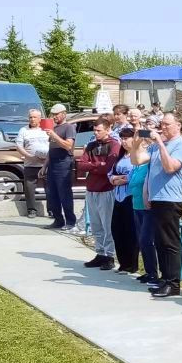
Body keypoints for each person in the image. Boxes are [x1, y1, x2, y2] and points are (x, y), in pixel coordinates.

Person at [145, 113, 182, 297]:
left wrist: (161, 144)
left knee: (170, 243)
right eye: (161, 124)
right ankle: (164, 279)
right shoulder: (159, 144)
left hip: (170, 200)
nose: (163, 128)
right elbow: (137, 160)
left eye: (167, 124)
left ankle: (173, 283)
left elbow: (170, 167)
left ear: (178, 125)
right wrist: (136, 139)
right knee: (160, 242)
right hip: (157, 199)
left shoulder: (181, 145)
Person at [76, 115, 122, 270]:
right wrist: (97, 165)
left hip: (106, 189)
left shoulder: (114, 145)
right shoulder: (91, 145)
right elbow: (81, 165)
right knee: (96, 225)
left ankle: (109, 255)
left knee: (107, 224)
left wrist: (93, 165)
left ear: (108, 130)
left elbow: (108, 167)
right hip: (91, 189)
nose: (96, 133)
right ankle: (100, 252)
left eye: (99, 130)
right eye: (94, 130)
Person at [107, 128, 141, 274]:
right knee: (117, 229)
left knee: (130, 231)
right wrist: (113, 179)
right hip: (118, 196)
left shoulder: (136, 156)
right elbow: (111, 172)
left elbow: (134, 174)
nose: (124, 141)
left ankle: (131, 264)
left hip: (130, 196)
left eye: (127, 138)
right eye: (122, 138)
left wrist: (121, 179)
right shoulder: (120, 156)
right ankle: (122, 262)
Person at [128, 134, 158, 286]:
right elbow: (134, 159)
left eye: (142, 143)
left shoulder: (149, 162)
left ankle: (153, 272)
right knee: (142, 240)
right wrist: (136, 142)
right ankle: (149, 271)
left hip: (147, 206)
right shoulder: (138, 165)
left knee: (147, 240)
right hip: (136, 204)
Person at [44, 103, 78, 231]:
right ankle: (58, 220)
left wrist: (54, 136)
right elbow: (51, 148)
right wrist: (45, 165)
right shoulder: (55, 128)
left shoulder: (68, 127)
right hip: (53, 162)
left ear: (64, 114)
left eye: (56, 114)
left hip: (63, 162)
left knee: (64, 193)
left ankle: (70, 221)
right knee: (52, 194)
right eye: (53, 114)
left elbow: (68, 146)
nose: (54, 117)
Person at [14, 108, 48, 218]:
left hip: (46, 164)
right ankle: (31, 210)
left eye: (34, 117)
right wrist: (30, 157)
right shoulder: (23, 130)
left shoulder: (46, 128)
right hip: (30, 164)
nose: (32, 119)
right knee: (29, 189)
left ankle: (52, 210)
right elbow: (19, 146)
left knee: (50, 189)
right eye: (30, 117)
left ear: (39, 118)